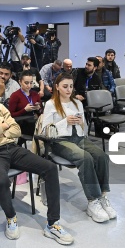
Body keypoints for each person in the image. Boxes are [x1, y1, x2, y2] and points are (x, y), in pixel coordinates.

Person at [0, 75, 74, 244]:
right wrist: (3, 127)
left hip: (12, 148)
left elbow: (16, 130)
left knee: (49, 168)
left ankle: (53, 223)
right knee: (1, 180)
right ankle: (11, 217)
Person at [41, 72, 116, 223]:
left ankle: (102, 196)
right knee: (85, 158)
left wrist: (81, 123)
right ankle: (93, 201)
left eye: (70, 86)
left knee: (101, 156)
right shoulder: (50, 104)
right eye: (65, 86)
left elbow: (84, 129)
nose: (68, 90)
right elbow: (45, 130)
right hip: (59, 140)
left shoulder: (77, 103)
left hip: (79, 137)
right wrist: (65, 122)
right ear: (57, 87)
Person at [8, 71, 42, 136]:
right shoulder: (15, 95)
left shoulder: (35, 94)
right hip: (22, 123)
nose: (29, 85)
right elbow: (10, 115)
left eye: (31, 83)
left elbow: (41, 112)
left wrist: (38, 109)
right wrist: (24, 110)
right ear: (20, 82)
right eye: (26, 83)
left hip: (35, 122)